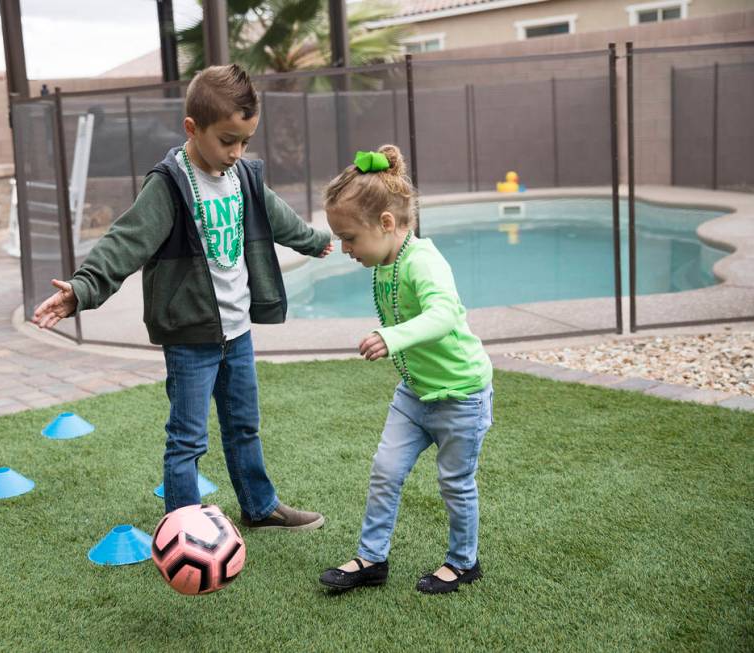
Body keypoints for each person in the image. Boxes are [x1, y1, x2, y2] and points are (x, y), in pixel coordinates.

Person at [32, 64, 333, 531]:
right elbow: (125, 241)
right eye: (227, 140)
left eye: (245, 141)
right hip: (190, 336)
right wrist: (84, 288)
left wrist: (314, 241)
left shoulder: (245, 179)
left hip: (237, 333)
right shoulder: (169, 184)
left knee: (244, 427)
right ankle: (184, 528)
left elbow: (279, 217)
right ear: (192, 128)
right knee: (188, 439)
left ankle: (259, 506)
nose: (236, 152)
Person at [317, 145, 493, 594]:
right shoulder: (384, 262)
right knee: (385, 471)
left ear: (387, 224)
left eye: (350, 238)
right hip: (414, 394)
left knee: (455, 484)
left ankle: (463, 562)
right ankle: (372, 559)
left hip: (460, 395)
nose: (345, 248)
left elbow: (445, 316)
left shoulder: (424, 261)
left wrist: (391, 337)